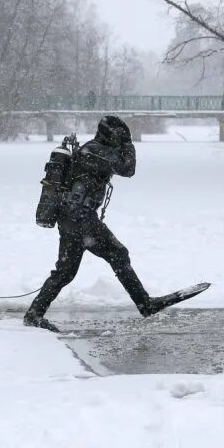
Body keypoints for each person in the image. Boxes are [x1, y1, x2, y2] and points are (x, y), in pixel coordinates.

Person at [24, 116, 175, 332]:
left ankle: (34, 314)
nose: (121, 140)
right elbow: (128, 168)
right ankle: (145, 304)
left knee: (65, 272)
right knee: (118, 254)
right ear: (109, 135)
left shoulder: (93, 150)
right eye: (119, 136)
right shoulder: (96, 151)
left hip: (70, 218)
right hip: (81, 219)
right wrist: (129, 144)